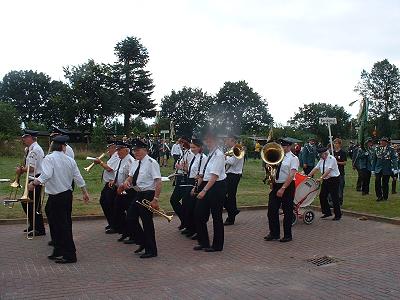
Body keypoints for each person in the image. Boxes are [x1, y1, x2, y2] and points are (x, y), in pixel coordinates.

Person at [29, 135, 89, 264]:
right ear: (62, 147)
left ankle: (69, 254)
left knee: (61, 225)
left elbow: (46, 175)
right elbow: (77, 177)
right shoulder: (70, 160)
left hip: (57, 196)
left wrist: (34, 183)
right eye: (65, 146)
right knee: (59, 223)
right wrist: (85, 191)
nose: (66, 147)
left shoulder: (49, 159)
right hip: (66, 195)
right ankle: (58, 249)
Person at [121, 139, 162, 258]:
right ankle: (143, 242)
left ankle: (151, 250)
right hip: (138, 193)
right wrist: (126, 181)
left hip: (148, 194)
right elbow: (130, 176)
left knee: (147, 222)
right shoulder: (135, 162)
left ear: (145, 150)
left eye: (138, 150)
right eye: (134, 150)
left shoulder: (151, 162)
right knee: (130, 218)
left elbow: (158, 182)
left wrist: (156, 199)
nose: (135, 153)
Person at [194, 131, 227, 252]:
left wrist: (204, 190)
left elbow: (214, 176)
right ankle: (204, 242)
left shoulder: (218, 154)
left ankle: (217, 245)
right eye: (206, 140)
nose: (207, 143)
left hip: (216, 187)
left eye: (210, 140)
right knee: (199, 214)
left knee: (216, 216)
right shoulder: (211, 153)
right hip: (207, 184)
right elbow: (207, 172)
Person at [264, 138, 299, 243]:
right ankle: (274, 233)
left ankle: (287, 235)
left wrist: (283, 188)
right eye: (281, 146)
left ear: (289, 147)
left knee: (287, 211)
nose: (281, 148)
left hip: (287, 186)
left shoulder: (293, 158)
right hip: (276, 184)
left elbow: (292, 174)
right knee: (271, 210)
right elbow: (273, 168)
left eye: (284, 146)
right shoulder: (278, 155)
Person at [17, 129, 46, 237]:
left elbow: (32, 168)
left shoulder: (35, 150)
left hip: (36, 179)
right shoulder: (31, 149)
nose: (23, 139)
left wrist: (21, 170)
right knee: (28, 203)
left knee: (33, 204)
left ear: (30, 138)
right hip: (32, 178)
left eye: (25, 137)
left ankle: (39, 228)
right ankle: (33, 224)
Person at [107, 141, 135, 241]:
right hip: (119, 190)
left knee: (130, 214)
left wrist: (123, 186)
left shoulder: (130, 161)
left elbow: (131, 177)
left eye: (119, 150)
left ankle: (133, 235)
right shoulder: (120, 160)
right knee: (118, 212)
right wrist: (114, 180)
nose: (117, 152)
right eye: (117, 150)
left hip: (128, 191)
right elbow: (118, 172)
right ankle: (124, 231)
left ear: (126, 150)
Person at [182, 138, 207, 239]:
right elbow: (191, 171)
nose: (192, 149)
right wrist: (184, 168)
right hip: (190, 180)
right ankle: (190, 228)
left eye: (194, 147)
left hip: (196, 183)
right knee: (187, 205)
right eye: (191, 147)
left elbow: (201, 174)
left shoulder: (203, 158)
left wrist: (195, 187)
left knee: (193, 207)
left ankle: (196, 230)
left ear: (200, 147)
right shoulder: (195, 157)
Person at [308, 147, 342, 220]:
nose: (320, 156)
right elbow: (316, 168)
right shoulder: (321, 160)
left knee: (334, 197)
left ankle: (338, 215)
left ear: (325, 153)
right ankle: (327, 212)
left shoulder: (331, 159)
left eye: (321, 154)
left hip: (334, 180)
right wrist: (308, 176)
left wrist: (320, 178)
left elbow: (328, 171)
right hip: (326, 180)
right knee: (322, 196)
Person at [170, 136, 194, 231]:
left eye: (181, 143)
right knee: (174, 200)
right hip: (180, 178)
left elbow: (191, 170)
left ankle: (187, 223)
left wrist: (180, 167)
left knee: (185, 203)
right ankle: (184, 221)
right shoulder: (183, 152)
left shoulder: (190, 153)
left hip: (186, 179)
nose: (179, 145)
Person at [94, 141, 119, 231]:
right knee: (104, 202)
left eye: (109, 147)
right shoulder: (112, 156)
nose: (108, 149)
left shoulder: (116, 156)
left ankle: (114, 225)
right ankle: (111, 223)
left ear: (114, 147)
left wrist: (100, 162)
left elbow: (109, 169)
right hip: (108, 183)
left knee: (109, 204)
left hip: (112, 184)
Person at [223, 135, 244, 226]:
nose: (226, 142)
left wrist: (224, 157)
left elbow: (232, 162)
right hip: (229, 174)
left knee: (229, 195)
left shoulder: (237, 149)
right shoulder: (231, 150)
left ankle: (232, 215)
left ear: (232, 140)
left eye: (227, 140)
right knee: (229, 195)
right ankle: (233, 211)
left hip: (234, 175)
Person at [372, 137, 398, 201]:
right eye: (381, 141)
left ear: (386, 142)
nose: (381, 142)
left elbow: (394, 159)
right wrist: (373, 169)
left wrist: (395, 168)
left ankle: (385, 196)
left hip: (386, 169)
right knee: (377, 182)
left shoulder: (391, 149)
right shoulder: (377, 149)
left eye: (383, 141)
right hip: (378, 168)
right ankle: (379, 196)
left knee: (385, 183)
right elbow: (374, 159)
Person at [332, 138, 347, 205]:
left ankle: (340, 201)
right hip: (332, 173)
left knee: (340, 188)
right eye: (334, 143)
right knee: (332, 188)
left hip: (340, 172)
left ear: (340, 144)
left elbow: (344, 163)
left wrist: (337, 162)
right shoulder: (332, 152)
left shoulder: (343, 152)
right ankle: (332, 202)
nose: (335, 145)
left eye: (337, 143)